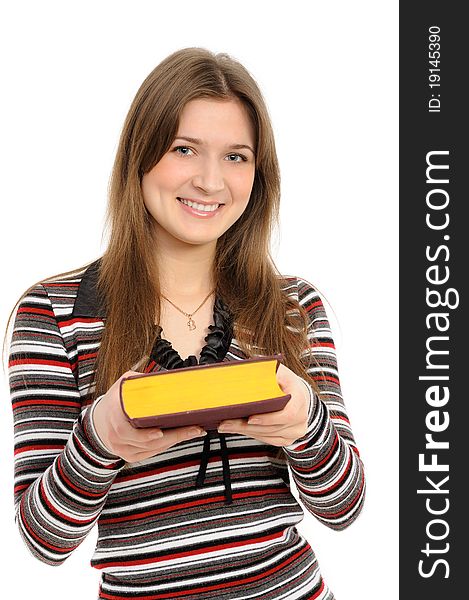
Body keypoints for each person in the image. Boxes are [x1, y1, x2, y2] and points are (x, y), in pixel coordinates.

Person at [5, 47, 365, 599]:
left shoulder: (293, 306)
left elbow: (345, 508)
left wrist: (306, 428)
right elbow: (43, 540)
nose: (209, 181)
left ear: (258, 174)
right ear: (140, 156)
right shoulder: (54, 312)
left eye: (236, 157)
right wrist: (100, 438)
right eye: (184, 149)